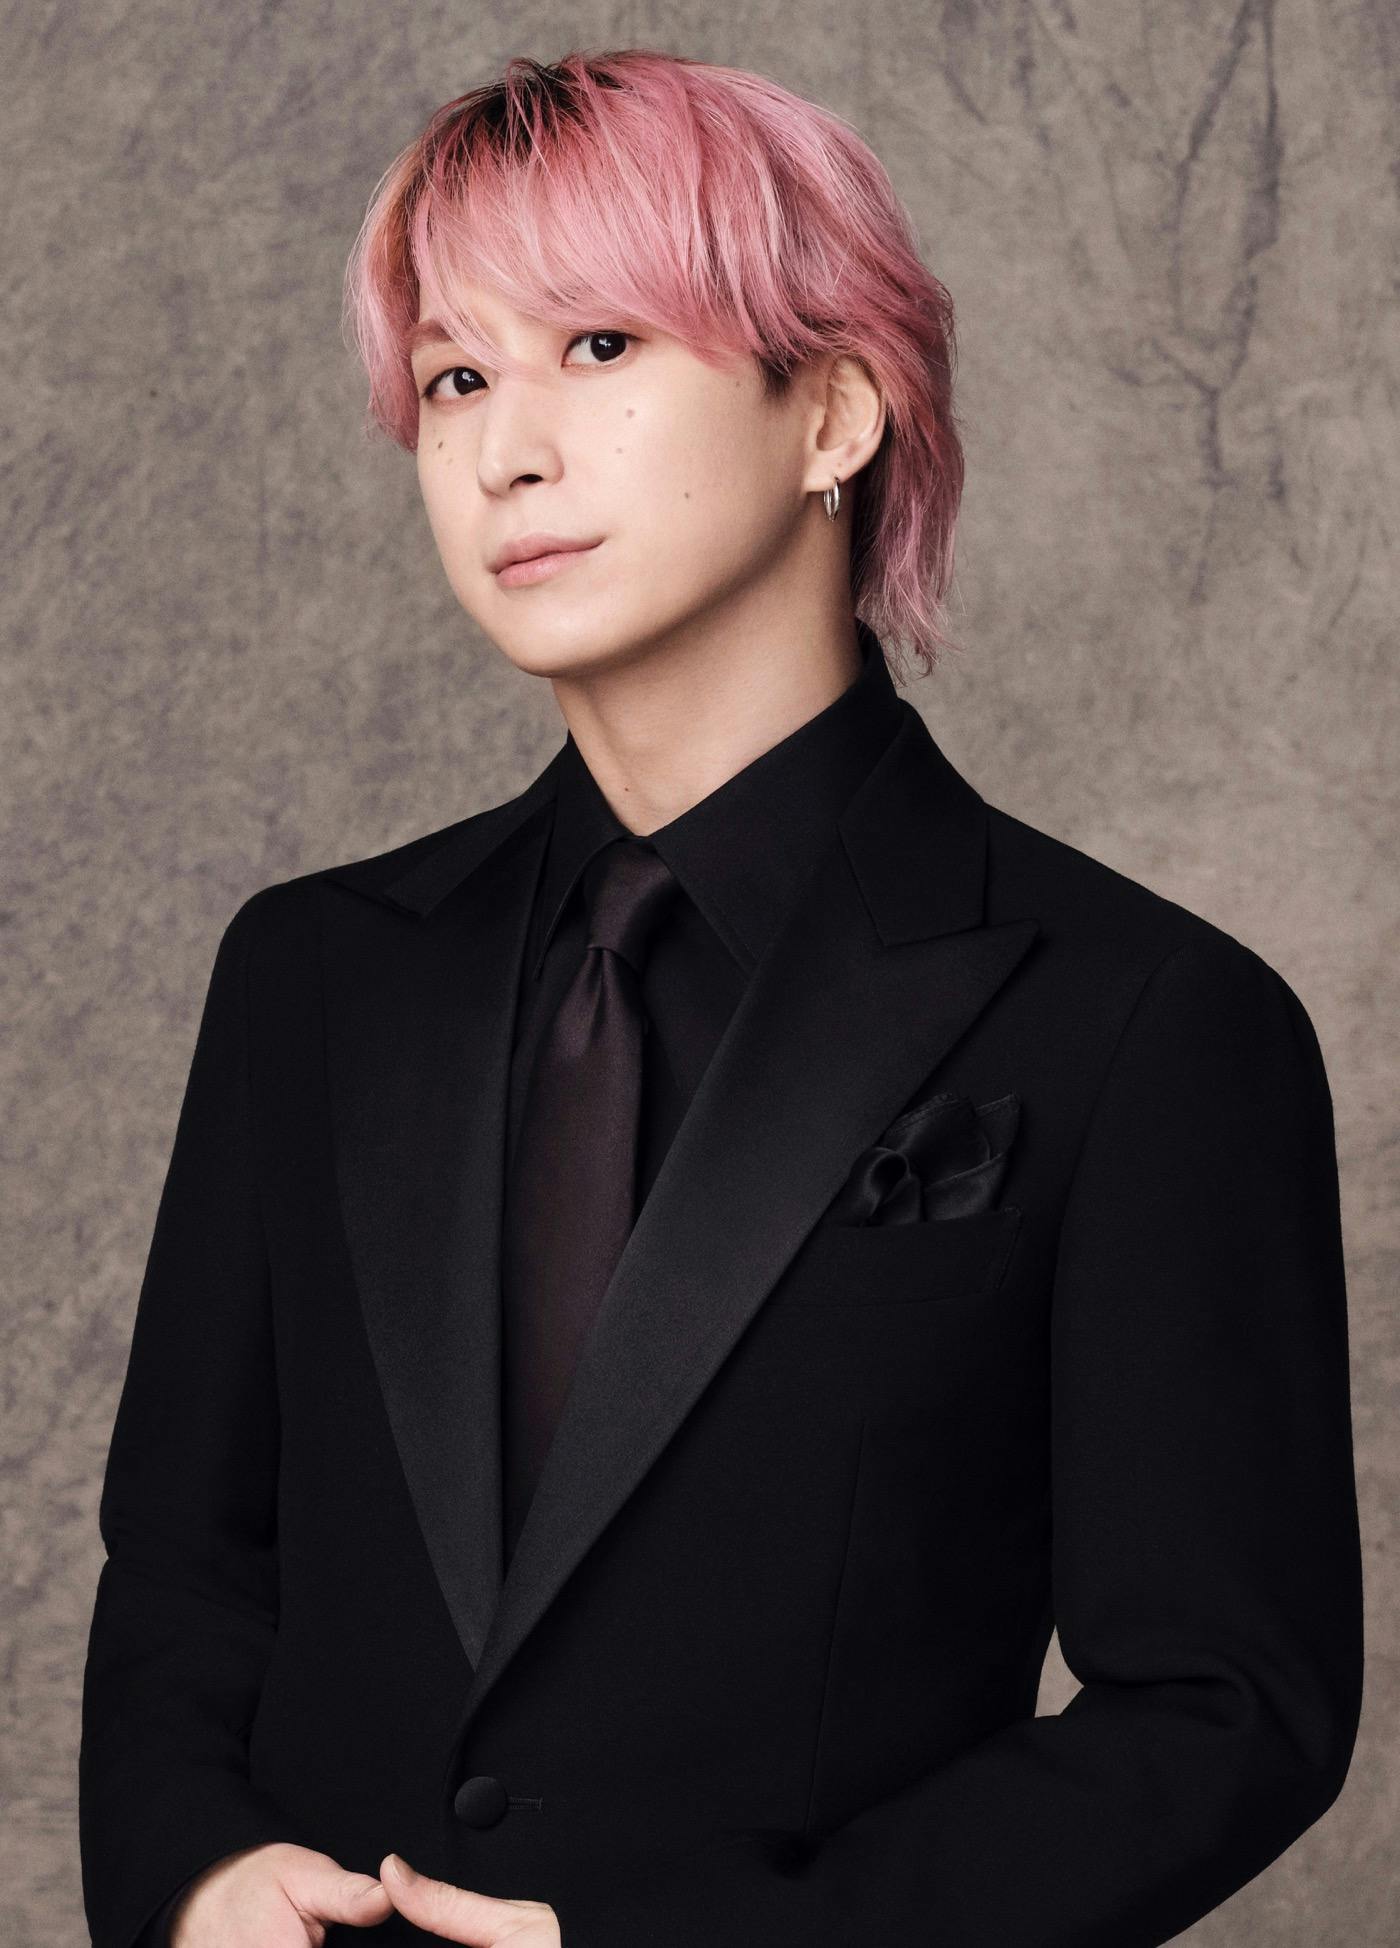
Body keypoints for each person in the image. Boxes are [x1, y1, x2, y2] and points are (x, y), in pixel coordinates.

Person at [79, 47, 1363, 1948]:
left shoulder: (1147, 1016)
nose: (504, 452)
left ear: (831, 410)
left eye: (598, 346)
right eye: (454, 377)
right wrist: (195, 1874)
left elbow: (1224, 1708)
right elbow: (189, 1565)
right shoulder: (315, 975)